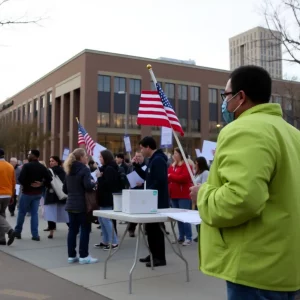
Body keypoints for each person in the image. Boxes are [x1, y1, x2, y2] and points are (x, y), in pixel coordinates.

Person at [190, 65, 300, 299]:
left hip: (255, 269)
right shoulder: (293, 134)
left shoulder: (242, 129)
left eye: (225, 96)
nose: (223, 103)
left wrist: (202, 195)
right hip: (289, 267)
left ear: (240, 97)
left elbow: (242, 199)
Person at [63, 148, 98, 264]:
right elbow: (88, 186)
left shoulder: (68, 169)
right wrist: (94, 183)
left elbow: (65, 189)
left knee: (72, 230)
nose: (87, 158)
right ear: (81, 157)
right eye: (86, 156)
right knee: (85, 229)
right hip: (82, 204)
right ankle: (84, 255)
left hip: (70, 203)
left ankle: (71, 255)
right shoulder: (84, 169)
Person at [139, 136, 169, 267]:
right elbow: (147, 177)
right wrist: (136, 166)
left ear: (148, 147)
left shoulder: (158, 160)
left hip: (157, 201)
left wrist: (147, 192)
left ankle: (160, 258)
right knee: (150, 229)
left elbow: (160, 180)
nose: (141, 151)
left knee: (156, 230)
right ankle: (153, 254)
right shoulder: (152, 160)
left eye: (141, 148)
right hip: (151, 200)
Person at [15, 150, 52, 241]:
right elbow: (49, 179)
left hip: (27, 193)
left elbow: (20, 179)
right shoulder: (42, 167)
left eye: (29, 154)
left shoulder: (26, 166)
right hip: (37, 193)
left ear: (34, 156)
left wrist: (29, 184)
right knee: (34, 214)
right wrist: (41, 184)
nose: (28, 155)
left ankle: (18, 232)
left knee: (22, 213)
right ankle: (35, 235)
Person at [94, 150, 119, 250]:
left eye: (100, 157)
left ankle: (114, 241)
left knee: (106, 220)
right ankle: (105, 240)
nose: (99, 159)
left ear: (105, 157)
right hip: (103, 197)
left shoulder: (109, 169)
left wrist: (99, 178)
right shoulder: (105, 168)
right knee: (101, 219)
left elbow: (108, 185)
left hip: (107, 198)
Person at [168, 148, 193, 246]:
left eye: (175, 153)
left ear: (181, 154)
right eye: (173, 153)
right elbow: (168, 175)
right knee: (178, 217)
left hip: (183, 195)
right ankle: (181, 236)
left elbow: (184, 178)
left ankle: (189, 237)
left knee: (185, 217)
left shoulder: (186, 165)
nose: (174, 155)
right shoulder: (172, 166)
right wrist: (171, 176)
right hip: (173, 194)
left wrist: (171, 176)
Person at [43, 156, 69, 239]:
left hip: (51, 194)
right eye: (50, 161)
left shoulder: (49, 171)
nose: (51, 162)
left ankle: (51, 232)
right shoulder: (63, 171)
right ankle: (72, 228)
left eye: (53, 161)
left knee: (51, 213)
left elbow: (46, 182)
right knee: (65, 213)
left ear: (57, 162)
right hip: (61, 194)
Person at [127, 151, 147, 237]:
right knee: (134, 210)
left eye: (139, 156)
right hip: (134, 189)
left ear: (143, 157)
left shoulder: (145, 166)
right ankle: (131, 228)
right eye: (136, 156)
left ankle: (146, 228)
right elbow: (128, 174)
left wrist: (142, 183)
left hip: (142, 190)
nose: (138, 158)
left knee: (144, 210)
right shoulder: (133, 166)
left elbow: (146, 176)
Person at [0, 149, 16, 246]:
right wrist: (12, 196)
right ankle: (1, 239)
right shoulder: (10, 166)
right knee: (2, 215)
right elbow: (13, 182)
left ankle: (9, 230)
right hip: (7, 194)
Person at [193, 157, 210, 242]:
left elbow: (204, 185)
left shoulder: (205, 173)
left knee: (200, 217)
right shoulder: (197, 173)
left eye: (196, 163)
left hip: (201, 197)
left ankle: (201, 234)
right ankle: (198, 233)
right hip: (196, 198)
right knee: (197, 217)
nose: (195, 165)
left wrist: (199, 185)